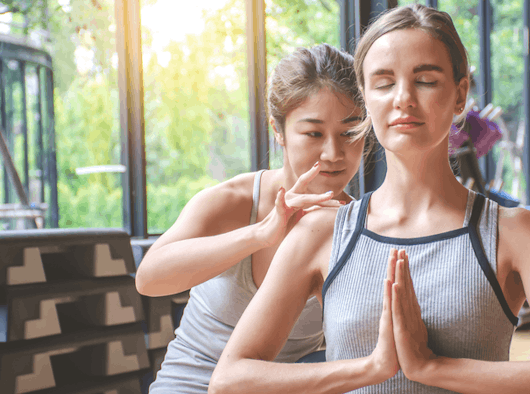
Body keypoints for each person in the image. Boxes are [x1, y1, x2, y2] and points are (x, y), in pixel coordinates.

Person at [208, 4, 530, 394]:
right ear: (366, 97)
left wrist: (433, 367)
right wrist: (368, 369)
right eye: (384, 83)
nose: (403, 97)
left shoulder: (517, 233)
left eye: (425, 80)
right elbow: (229, 380)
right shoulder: (320, 233)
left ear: (460, 95)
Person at [135, 43, 366, 393]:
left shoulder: (357, 227)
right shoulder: (235, 201)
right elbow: (149, 279)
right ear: (279, 130)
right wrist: (260, 234)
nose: (333, 153)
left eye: (349, 133)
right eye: (314, 133)